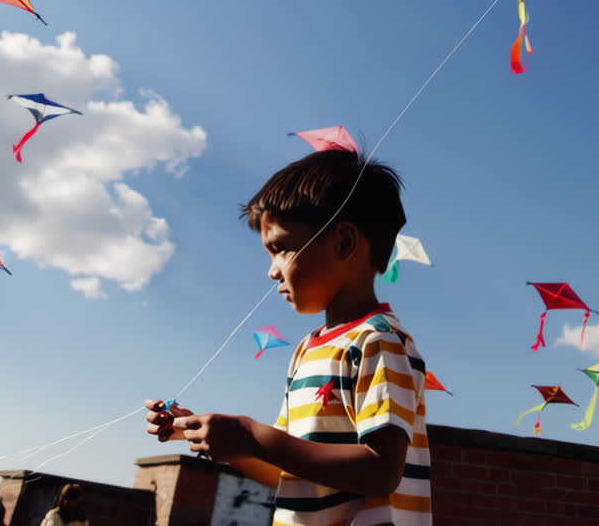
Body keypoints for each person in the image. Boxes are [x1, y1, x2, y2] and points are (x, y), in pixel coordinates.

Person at [145, 149, 431, 525]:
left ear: (344, 243)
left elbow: (381, 472)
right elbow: (289, 474)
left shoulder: (379, 341)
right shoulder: (306, 350)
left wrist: (250, 434)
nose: (272, 272)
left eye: (280, 249)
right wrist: (217, 441)